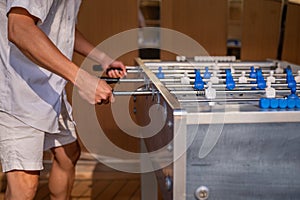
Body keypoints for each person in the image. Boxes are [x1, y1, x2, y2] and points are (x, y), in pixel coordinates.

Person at [0, 0, 127, 199]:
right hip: (16, 89)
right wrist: (81, 79)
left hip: (49, 86)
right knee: (25, 184)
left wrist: (102, 58)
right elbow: (19, 27)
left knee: (67, 155)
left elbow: (61, 27)